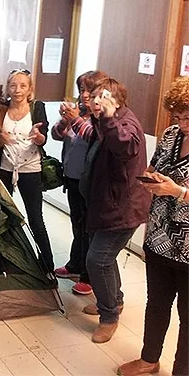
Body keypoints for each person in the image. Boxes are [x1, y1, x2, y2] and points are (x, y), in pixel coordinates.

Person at [117, 77, 189, 376]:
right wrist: (152, 180)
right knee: (156, 303)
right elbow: (153, 169)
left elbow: (178, 190)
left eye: (188, 117)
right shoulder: (171, 135)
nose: (182, 123)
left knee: (188, 315)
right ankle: (149, 359)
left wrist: (180, 192)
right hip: (160, 235)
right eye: (177, 116)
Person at [79, 77, 150, 343]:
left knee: (97, 260)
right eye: (93, 96)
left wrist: (107, 117)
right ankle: (114, 300)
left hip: (122, 209)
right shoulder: (105, 121)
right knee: (104, 258)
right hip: (107, 206)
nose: (95, 102)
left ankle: (109, 316)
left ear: (117, 99)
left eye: (102, 97)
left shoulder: (124, 122)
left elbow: (127, 146)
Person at [0, 69, 54, 273]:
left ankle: (47, 266)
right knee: (2, 215)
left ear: (30, 89)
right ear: (8, 88)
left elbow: (44, 139)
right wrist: (1, 140)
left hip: (31, 169)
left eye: (23, 85)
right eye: (13, 85)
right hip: (5, 168)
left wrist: (38, 136)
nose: (17, 90)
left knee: (35, 218)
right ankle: (4, 262)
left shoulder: (37, 108)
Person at [51, 70, 107, 295]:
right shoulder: (79, 111)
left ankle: (88, 276)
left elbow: (92, 136)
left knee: (88, 229)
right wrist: (64, 122)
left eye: (89, 90)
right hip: (72, 179)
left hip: (91, 183)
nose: (84, 95)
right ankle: (75, 264)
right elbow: (57, 135)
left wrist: (74, 119)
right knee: (77, 225)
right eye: (82, 90)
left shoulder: (101, 115)